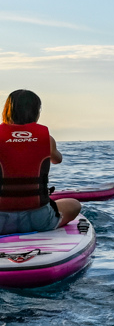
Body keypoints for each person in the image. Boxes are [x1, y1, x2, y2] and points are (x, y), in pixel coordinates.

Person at [0, 90, 81, 234]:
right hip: (39, 219)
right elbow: (57, 159)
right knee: (74, 204)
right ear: (36, 112)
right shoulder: (46, 139)